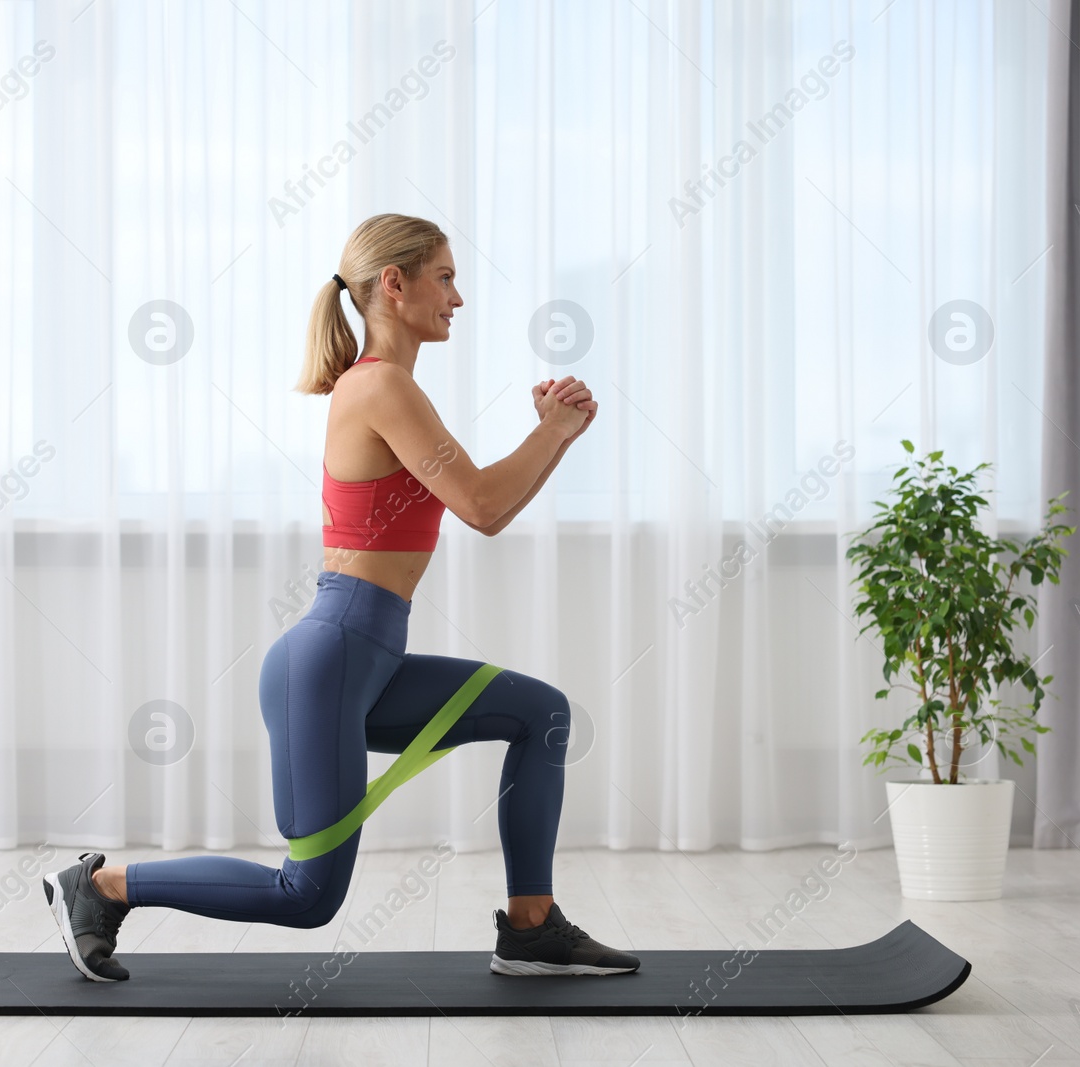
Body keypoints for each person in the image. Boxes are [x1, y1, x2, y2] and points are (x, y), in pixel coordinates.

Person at [45, 213, 638, 980]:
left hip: (369, 659)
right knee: (306, 894)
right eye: (446, 277)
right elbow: (484, 508)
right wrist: (554, 429)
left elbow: (489, 498)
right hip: (333, 660)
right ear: (394, 284)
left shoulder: (389, 387)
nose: (458, 297)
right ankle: (98, 886)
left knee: (541, 711)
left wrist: (556, 434)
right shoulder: (380, 385)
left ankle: (531, 928)